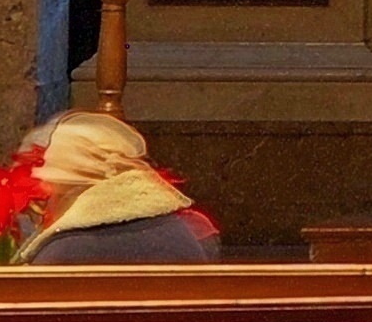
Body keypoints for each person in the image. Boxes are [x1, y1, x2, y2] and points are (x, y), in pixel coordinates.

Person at [15, 112, 220, 265]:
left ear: (70, 189)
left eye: (52, 190)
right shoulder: (179, 234)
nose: (47, 198)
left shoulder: (66, 249)